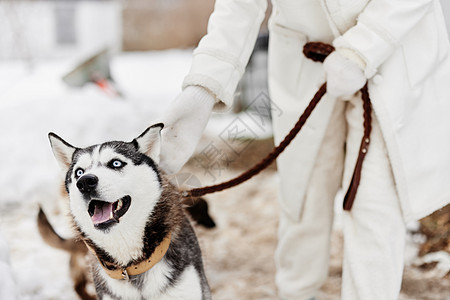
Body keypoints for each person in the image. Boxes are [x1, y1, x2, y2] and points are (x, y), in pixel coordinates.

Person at [159, 1, 450, 299]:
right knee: (303, 191)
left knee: (375, 203)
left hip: (391, 46)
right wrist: (204, 86)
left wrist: (363, 48)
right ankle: (297, 293)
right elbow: (239, 6)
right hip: (305, 52)